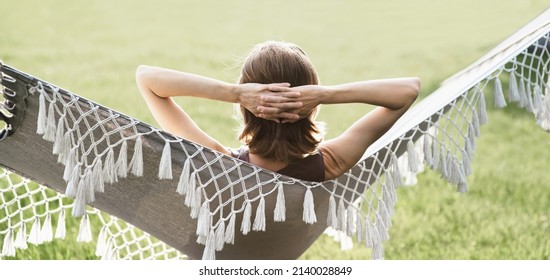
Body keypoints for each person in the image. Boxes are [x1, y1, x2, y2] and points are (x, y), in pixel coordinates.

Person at [136, 41, 420, 182]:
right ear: (311, 106)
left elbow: (146, 78)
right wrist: (326, 94)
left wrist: (235, 93)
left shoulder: (219, 164)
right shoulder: (331, 163)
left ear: (247, 109)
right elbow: (408, 90)